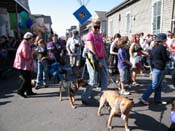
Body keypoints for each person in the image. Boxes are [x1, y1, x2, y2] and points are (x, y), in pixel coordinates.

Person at [81, 18, 109, 104]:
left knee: (105, 78)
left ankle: (103, 97)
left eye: (98, 27)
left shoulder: (100, 35)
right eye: (95, 27)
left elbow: (102, 47)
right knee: (93, 80)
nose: (97, 29)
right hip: (92, 59)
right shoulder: (89, 36)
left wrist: (106, 58)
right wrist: (97, 61)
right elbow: (92, 50)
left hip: (101, 58)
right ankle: (84, 97)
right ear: (91, 27)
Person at [140, 33, 169, 105]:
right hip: (159, 68)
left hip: (155, 67)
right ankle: (143, 97)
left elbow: (151, 58)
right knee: (155, 84)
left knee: (158, 85)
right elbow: (165, 58)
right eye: (165, 40)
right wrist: (170, 58)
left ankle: (158, 100)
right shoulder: (162, 48)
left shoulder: (154, 47)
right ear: (163, 40)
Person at [13, 32, 36, 98]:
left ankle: (29, 91)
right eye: (32, 38)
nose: (33, 39)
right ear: (29, 38)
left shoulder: (26, 43)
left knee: (28, 78)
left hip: (25, 65)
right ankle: (20, 91)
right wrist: (32, 50)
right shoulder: (24, 45)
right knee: (27, 79)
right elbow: (26, 56)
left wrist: (31, 48)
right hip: (22, 65)